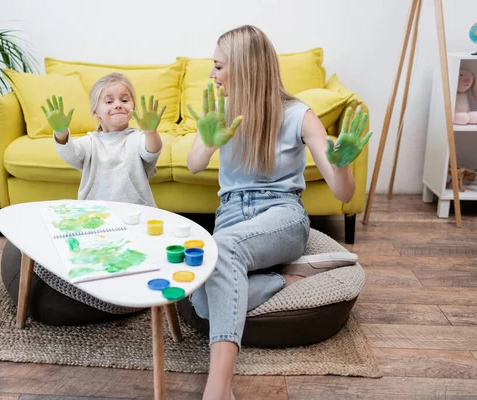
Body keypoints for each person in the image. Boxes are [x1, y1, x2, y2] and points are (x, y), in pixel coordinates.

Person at [186, 25, 372, 400]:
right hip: (232, 217)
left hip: (282, 215)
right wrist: (207, 144)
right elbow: (192, 165)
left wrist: (343, 166)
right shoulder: (219, 112)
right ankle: (287, 280)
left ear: (244, 67)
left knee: (221, 249)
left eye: (219, 67)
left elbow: (342, 192)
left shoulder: (298, 115)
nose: (212, 75)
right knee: (201, 303)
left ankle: (218, 387)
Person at [41, 72, 166, 207]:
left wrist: (151, 132)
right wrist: (61, 132)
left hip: (136, 211)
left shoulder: (138, 138)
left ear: (133, 108)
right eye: (109, 101)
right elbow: (70, 155)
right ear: (95, 112)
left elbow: (152, 151)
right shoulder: (90, 142)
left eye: (124, 100)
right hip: (96, 213)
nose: (118, 105)